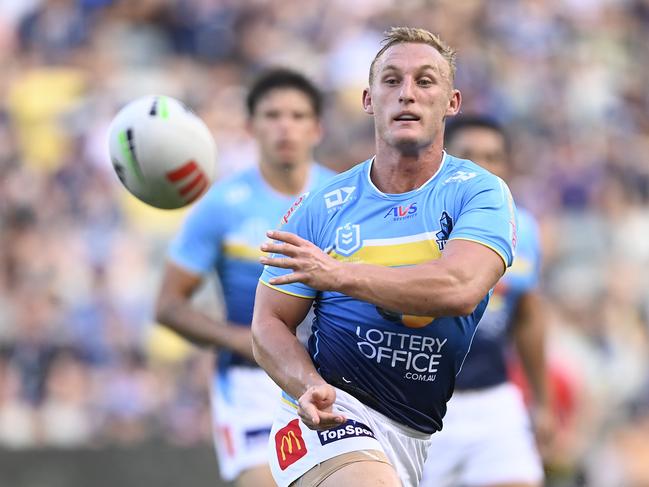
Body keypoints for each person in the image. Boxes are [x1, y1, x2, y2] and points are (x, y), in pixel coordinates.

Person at [252, 27, 518, 487]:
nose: (407, 95)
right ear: (369, 99)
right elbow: (267, 323)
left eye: (425, 82)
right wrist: (306, 384)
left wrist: (340, 275)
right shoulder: (320, 206)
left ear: (452, 103)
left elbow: (459, 288)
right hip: (334, 414)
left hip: (414, 432)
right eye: (391, 81)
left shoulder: (479, 193)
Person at [155, 68, 335, 487]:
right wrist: (244, 339)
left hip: (329, 378)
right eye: (272, 115)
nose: (285, 127)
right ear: (250, 126)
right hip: (249, 384)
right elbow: (168, 305)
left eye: (297, 115)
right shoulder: (221, 204)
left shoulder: (341, 199)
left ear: (318, 128)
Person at [420, 115, 552, 487]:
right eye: (468, 155)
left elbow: (527, 316)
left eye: (492, 157)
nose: (482, 167)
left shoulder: (522, 228)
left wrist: (541, 402)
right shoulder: (416, 225)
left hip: (494, 401)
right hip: (420, 405)